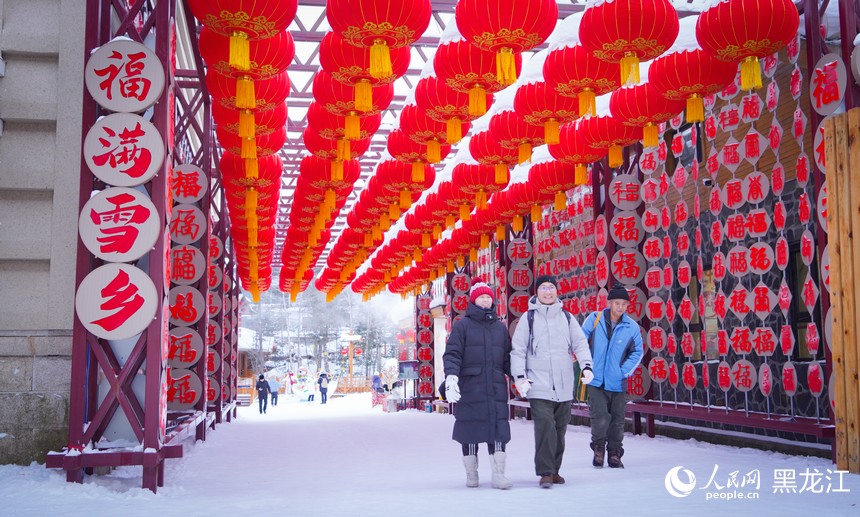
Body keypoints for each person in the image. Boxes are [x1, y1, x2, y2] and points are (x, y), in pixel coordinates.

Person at [510, 275, 593, 489]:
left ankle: (555, 470)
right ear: (536, 293)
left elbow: (580, 344)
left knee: (559, 429)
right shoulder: (528, 319)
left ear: (556, 291)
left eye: (551, 288)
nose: (548, 292)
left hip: (564, 383)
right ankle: (545, 472)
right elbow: (518, 350)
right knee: (545, 426)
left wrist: (586, 365)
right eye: (543, 288)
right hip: (538, 383)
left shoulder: (567, 317)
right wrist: (519, 376)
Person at [443, 278, 513, 490]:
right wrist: (452, 377)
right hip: (471, 387)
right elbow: (453, 354)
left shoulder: (500, 329)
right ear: (474, 300)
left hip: (495, 387)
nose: (485, 300)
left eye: (488, 297)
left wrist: (518, 376)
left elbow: (508, 358)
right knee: (470, 430)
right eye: (481, 297)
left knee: (498, 429)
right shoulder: (462, 326)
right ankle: (471, 473)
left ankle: (499, 474)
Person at [581, 283, 644, 469]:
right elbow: (580, 342)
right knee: (599, 417)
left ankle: (615, 453)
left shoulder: (631, 327)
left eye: (624, 304)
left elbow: (637, 351)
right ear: (609, 302)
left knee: (617, 420)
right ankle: (599, 449)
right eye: (617, 303)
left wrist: (624, 371)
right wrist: (587, 366)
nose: (620, 307)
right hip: (595, 379)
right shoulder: (594, 319)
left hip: (618, 381)